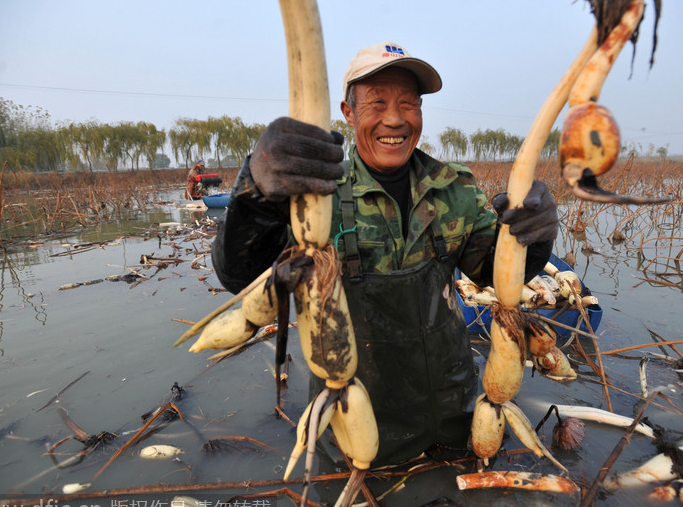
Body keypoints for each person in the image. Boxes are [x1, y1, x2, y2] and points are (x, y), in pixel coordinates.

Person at [211, 42, 558, 467]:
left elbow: (492, 273)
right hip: (355, 425)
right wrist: (255, 193)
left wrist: (533, 237)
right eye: (377, 103)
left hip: (456, 415)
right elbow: (240, 276)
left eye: (408, 103)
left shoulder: (456, 188)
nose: (395, 118)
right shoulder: (315, 198)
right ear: (348, 111)